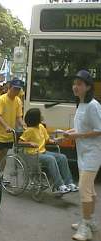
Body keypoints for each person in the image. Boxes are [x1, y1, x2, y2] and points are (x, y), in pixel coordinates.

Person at [63, 70, 101, 241]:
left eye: (79, 84)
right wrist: (65, 133)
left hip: (93, 154)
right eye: (74, 83)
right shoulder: (81, 104)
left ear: (88, 87)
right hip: (82, 153)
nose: (75, 87)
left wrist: (75, 136)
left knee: (84, 188)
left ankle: (85, 227)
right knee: (90, 190)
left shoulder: (93, 105)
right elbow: (80, 129)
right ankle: (90, 221)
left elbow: (99, 130)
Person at [19, 108, 78, 194]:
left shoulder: (41, 127)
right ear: (36, 118)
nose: (42, 117)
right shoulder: (29, 130)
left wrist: (56, 141)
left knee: (62, 157)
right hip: (33, 155)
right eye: (40, 115)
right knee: (50, 159)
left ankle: (69, 183)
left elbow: (47, 140)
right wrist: (30, 143)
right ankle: (59, 185)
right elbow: (20, 142)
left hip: (42, 152)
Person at [0, 78, 25, 172]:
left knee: (4, 156)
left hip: (9, 134)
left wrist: (23, 125)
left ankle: (1, 176)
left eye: (19, 89)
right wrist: (6, 126)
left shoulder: (18, 101)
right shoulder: (2, 99)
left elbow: (18, 117)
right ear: (9, 88)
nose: (17, 91)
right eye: (15, 89)